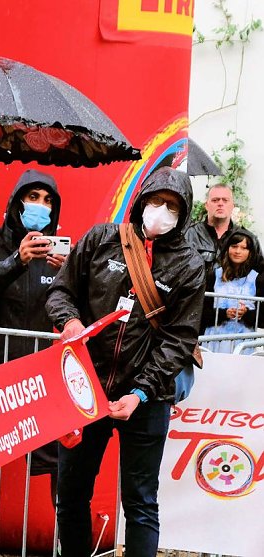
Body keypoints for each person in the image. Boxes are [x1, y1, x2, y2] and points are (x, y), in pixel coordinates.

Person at [46, 167, 205, 557]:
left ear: (183, 215)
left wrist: (140, 392)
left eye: (173, 206)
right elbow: (60, 291)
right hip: (87, 388)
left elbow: (179, 338)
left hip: (146, 399)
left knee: (140, 504)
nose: (162, 211)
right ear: (142, 199)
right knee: (70, 494)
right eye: (157, 201)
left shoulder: (190, 264)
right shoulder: (101, 238)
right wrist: (69, 321)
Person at [0, 169, 64, 480]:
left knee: (57, 463)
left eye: (47, 200)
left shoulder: (55, 253)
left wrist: (69, 276)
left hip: (34, 379)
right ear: (17, 202)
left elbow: (70, 309)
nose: (40, 206)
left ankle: (63, 529)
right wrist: (16, 260)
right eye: (32, 197)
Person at [200, 228, 263, 354]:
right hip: (213, 341)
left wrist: (246, 314)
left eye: (244, 248)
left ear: (250, 252)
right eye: (234, 246)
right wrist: (224, 314)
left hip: (244, 344)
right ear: (227, 248)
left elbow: (262, 317)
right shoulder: (214, 276)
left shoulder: (257, 279)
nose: (238, 251)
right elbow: (201, 312)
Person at [186, 184, 263, 273]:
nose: (220, 204)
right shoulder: (190, 234)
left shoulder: (248, 238)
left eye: (225, 200)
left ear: (232, 206)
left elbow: (260, 275)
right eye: (215, 200)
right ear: (206, 205)